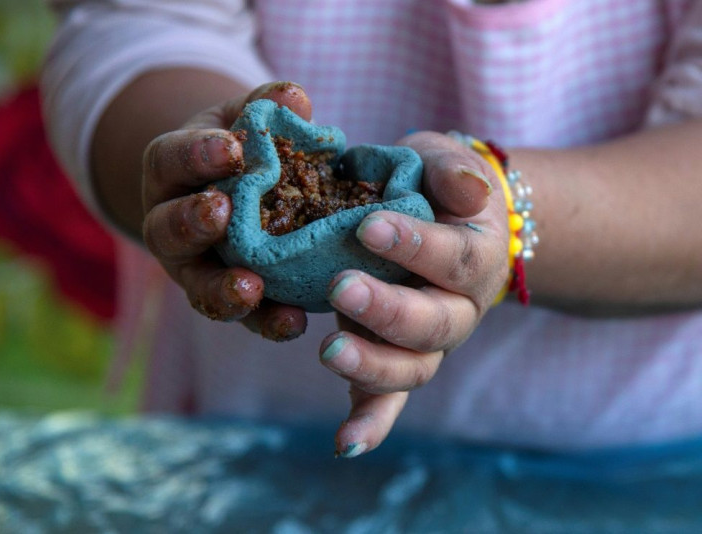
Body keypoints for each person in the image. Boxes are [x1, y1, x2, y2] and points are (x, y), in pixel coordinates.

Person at [41, 0, 702, 458]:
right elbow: (140, 24)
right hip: (257, 435)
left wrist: (503, 211)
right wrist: (198, 166)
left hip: (637, 458)